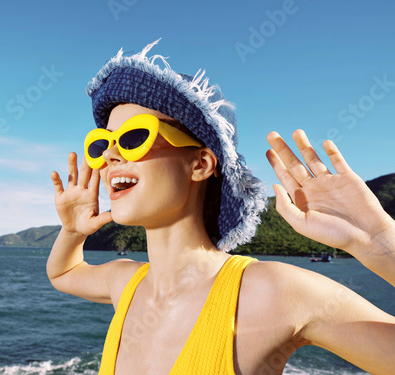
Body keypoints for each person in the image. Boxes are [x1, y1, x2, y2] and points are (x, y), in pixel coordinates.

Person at [47, 41, 395, 374]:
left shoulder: (271, 291)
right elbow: (63, 274)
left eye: (135, 137)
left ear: (200, 164)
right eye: (102, 142)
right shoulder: (125, 281)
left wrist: (378, 241)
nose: (109, 155)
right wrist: (73, 232)